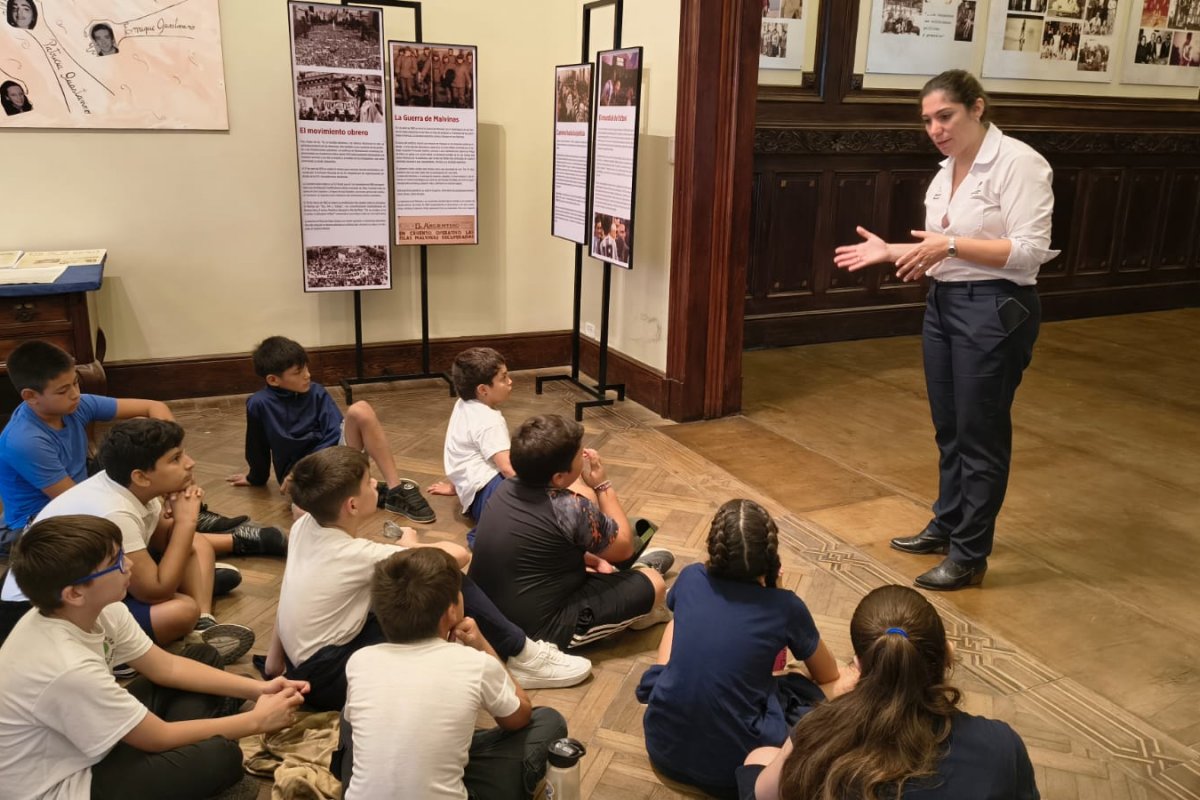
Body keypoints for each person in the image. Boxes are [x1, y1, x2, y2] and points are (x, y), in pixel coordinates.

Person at [833, 70, 1055, 591]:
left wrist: (948, 247)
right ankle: (948, 521)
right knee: (950, 427)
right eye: (928, 120)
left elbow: (1028, 252)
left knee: (981, 434)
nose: (935, 128)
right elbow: (937, 246)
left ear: (977, 108)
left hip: (997, 307)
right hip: (945, 303)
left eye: (945, 116)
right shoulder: (947, 169)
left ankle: (970, 553)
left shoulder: (1020, 163)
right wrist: (894, 251)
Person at [0, 515, 308, 800]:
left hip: (90, 746)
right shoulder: (65, 668)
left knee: (202, 655)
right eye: (115, 562)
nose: (129, 565)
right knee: (221, 756)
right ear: (75, 593)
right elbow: (157, 737)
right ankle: (204, 746)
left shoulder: (103, 608)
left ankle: (200, 743)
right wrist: (256, 721)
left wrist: (259, 690)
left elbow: (167, 666)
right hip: (64, 785)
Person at [266, 447, 592, 711]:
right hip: (328, 676)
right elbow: (458, 555)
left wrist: (274, 661)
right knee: (441, 576)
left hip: (304, 667)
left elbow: (290, 591)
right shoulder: (356, 555)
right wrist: (412, 545)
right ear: (351, 505)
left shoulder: (305, 526)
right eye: (368, 483)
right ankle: (522, 654)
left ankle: (505, 649)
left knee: (408, 586)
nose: (376, 485)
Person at [739, 585, 1039, 800]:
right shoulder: (1002, 746)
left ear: (857, 666)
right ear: (947, 655)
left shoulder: (816, 734)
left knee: (761, 758)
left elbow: (764, 792)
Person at [636, 500, 850, 798]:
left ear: (715, 548)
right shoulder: (785, 606)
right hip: (734, 768)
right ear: (770, 554)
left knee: (677, 623)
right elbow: (827, 673)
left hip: (663, 748)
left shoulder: (690, 578)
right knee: (819, 684)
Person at [0, 419, 257, 659]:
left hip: (94, 585)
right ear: (140, 476)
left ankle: (202, 623)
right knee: (181, 610)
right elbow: (155, 592)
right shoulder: (114, 510)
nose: (190, 463)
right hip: (42, 611)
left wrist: (180, 522)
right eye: (176, 458)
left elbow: (161, 540)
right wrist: (187, 520)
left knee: (195, 543)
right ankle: (127, 655)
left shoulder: (130, 486)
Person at [337, 547, 568, 799]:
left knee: (350, 717)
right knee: (549, 721)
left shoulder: (360, 662)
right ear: (451, 611)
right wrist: (483, 646)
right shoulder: (475, 663)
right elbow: (520, 717)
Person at [0, 341, 250, 545]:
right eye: (63, 390)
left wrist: (168, 458)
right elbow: (74, 502)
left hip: (84, 490)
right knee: (125, 525)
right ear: (31, 397)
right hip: (39, 526)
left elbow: (154, 407)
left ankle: (185, 520)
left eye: (76, 382)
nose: (75, 393)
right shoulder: (25, 440)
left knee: (145, 436)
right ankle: (232, 541)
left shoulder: (76, 405)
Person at [469, 414, 675, 651]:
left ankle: (623, 579)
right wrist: (602, 485)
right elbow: (625, 546)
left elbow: (539, 543)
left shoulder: (506, 486)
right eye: (579, 455)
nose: (585, 455)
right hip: (534, 632)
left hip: (491, 611)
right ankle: (640, 608)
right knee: (655, 583)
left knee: (598, 553)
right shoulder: (570, 508)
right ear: (558, 476)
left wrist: (590, 558)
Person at [227, 335, 436, 523]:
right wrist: (256, 477)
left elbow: (334, 435)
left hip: (332, 460)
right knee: (302, 516)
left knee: (361, 409)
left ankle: (394, 489)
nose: (308, 375)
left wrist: (312, 465)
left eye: (307, 368)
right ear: (273, 380)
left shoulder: (317, 392)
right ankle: (359, 489)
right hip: (301, 479)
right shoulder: (258, 404)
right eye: (299, 373)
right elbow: (257, 445)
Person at [426, 348, 515, 545]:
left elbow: (465, 450)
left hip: (473, 493)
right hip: (489, 493)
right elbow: (508, 468)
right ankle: (484, 540)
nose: (510, 381)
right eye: (503, 378)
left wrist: (458, 485)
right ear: (483, 390)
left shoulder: (463, 403)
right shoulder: (490, 421)